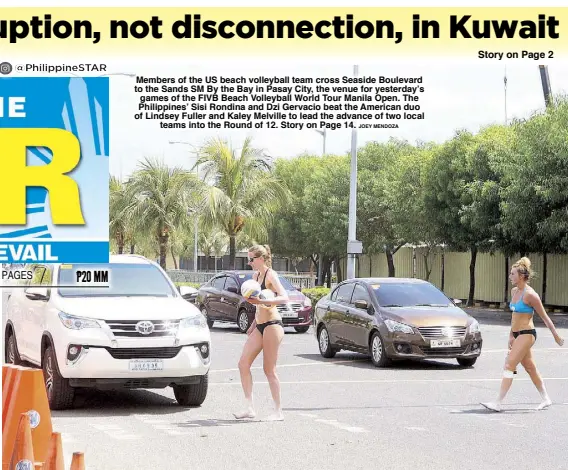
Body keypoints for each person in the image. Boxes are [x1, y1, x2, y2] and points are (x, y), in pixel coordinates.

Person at [481, 257, 564, 412]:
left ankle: (498, 402)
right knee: (530, 367)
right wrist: (511, 336)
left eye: (512, 274)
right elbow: (514, 318)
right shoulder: (514, 291)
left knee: (509, 364)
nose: (510, 277)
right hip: (517, 334)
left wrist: (556, 336)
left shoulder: (530, 295)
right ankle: (546, 398)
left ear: (521, 276)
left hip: (527, 334)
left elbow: (545, 317)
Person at [233, 244, 289, 421]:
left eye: (251, 259)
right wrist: (252, 324)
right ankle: (249, 408)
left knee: (269, 369)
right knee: (243, 363)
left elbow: (284, 297)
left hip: (273, 325)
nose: (249, 262)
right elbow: (258, 305)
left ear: (261, 259)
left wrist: (268, 300)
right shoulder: (255, 277)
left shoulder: (271, 275)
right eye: (248, 259)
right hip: (260, 324)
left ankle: (278, 411)